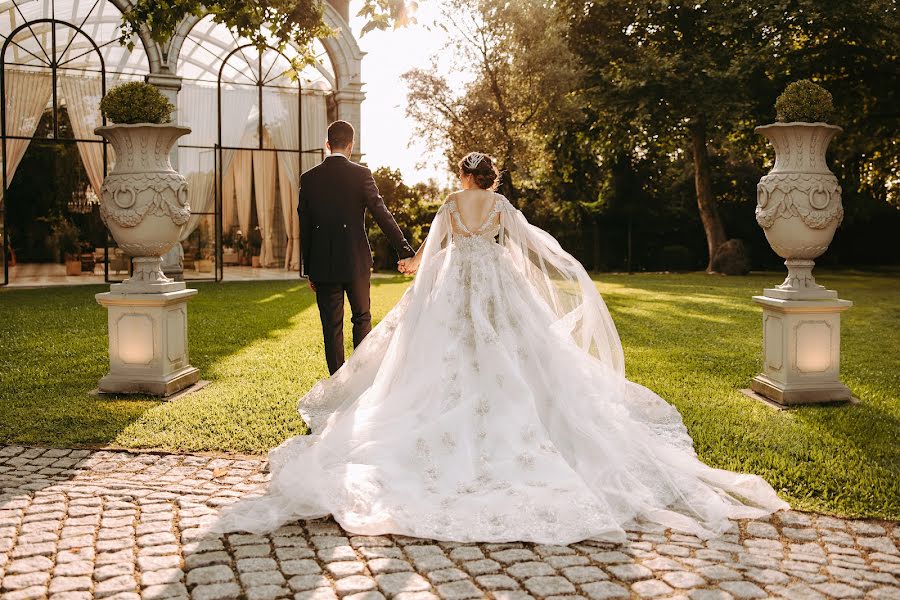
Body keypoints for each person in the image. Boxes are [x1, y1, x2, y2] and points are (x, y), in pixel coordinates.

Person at [213, 151, 788, 545]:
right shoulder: (503, 207)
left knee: (442, 353)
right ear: (492, 178)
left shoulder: (448, 206)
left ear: (465, 178)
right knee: (517, 349)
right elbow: (523, 247)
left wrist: (417, 267)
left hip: (455, 285)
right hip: (495, 284)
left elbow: (437, 252)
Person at [297, 120, 415, 375]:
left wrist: (309, 268)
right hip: (356, 261)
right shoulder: (362, 174)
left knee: (331, 327)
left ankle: (337, 382)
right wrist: (404, 250)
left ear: (327, 145)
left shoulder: (308, 179)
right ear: (351, 146)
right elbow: (382, 214)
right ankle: (360, 380)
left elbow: (304, 226)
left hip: (322, 264)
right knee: (361, 318)